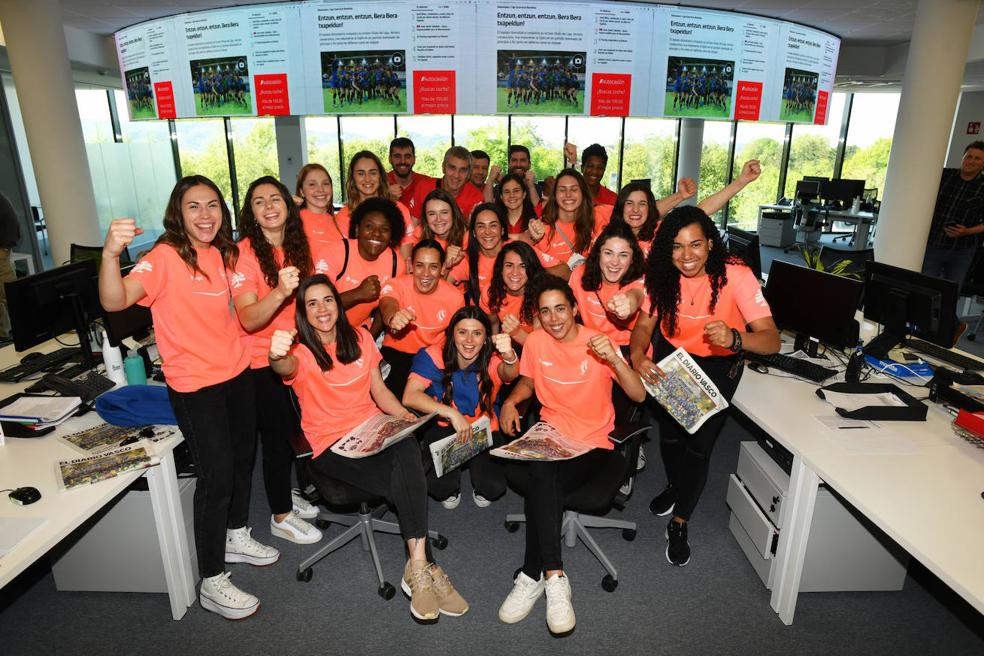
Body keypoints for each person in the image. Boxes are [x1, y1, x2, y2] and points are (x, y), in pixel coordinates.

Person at [99, 176, 277, 620]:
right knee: (216, 479)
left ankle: (236, 534)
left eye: (212, 205)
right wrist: (110, 254)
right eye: (194, 206)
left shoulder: (222, 253)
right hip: (196, 387)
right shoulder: (163, 258)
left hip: (237, 373)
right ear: (178, 213)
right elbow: (116, 300)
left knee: (242, 463)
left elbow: (243, 310)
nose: (205, 215)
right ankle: (211, 580)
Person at [269, 276, 467, 622]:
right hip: (332, 446)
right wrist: (275, 354)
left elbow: (380, 392)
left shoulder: (360, 338)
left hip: (372, 429)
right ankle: (427, 568)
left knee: (406, 447)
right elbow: (283, 366)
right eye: (312, 303)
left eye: (327, 300)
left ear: (338, 304)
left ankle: (417, 566)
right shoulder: (299, 353)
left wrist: (404, 417)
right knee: (406, 477)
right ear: (302, 312)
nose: (322, 309)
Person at [629, 205, 779, 567]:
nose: (687, 255)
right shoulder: (662, 274)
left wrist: (735, 338)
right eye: (677, 246)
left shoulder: (736, 276)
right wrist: (638, 357)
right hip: (673, 359)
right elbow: (644, 327)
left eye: (695, 244)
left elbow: (772, 340)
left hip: (717, 364)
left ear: (710, 243)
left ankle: (680, 521)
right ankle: (675, 485)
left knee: (698, 446)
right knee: (670, 437)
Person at [497, 275, 645, 635]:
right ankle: (553, 577)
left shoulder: (598, 343)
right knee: (543, 473)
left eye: (560, 309)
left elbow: (638, 395)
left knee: (541, 477)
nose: (554, 319)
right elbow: (528, 381)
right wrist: (512, 401)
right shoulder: (535, 341)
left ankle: (534, 574)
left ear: (575, 308)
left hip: (592, 444)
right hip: (551, 435)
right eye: (545, 312)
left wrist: (615, 360)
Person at [230, 176, 323, 546]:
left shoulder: (297, 245)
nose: (269, 207)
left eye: (275, 199)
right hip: (260, 361)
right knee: (276, 438)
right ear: (251, 213)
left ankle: (284, 493)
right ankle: (280, 516)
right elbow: (248, 318)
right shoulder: (244, 253)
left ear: (288, 205)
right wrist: (281, 291)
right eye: (259, 201)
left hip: (295, 353)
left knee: (292, 434)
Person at [403, 307, 519, 508]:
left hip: (483, 428)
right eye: (462, 332)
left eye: (477, 333)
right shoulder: (434, 355)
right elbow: (409, 396)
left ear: (485, 338)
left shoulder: (493, 358)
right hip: (444, 426)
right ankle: (452, 481)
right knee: (440, 488)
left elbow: (510, 373)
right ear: (452, 334)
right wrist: (452, 414)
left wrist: (509, 356)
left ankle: (477, 469)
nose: (469, 340)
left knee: (493, 487)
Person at [379, 239, 465, 398]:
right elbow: (387, 303)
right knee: (387, 399)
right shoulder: (397, 284)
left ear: (442, 268)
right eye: (420, 265)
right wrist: (393, 317)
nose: (426, 273)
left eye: (433, 266)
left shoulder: (455, 298)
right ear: (410, 265)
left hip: (431, 358)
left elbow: (457, 337)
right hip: (396, 354)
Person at [320, 197, 406, 336]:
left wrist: (370, 339)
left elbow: (383, 307)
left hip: (359, 333)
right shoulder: (335, 252)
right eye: (369, 226)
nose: (376, 233)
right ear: (357, 229)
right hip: (320, 331)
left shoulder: (396, 263)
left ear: (392, 235)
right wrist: (358, 294)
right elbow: (318, 303)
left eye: (384, 229)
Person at [921, 141, 984, 293]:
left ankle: (946, 310)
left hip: (962, 250)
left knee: (951, 293)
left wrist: (966, 232)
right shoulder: (942, 175)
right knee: (925, 290)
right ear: (962, 158)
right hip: (933, 244)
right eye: (968, 156)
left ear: (983, 164)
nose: (971, 161)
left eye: (977, 158)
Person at [528, 169, 608, 277]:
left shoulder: (600, 215)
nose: (568, 194)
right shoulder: (542, 229)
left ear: (583, 193)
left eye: (574, 189)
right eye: (562, 190)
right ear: (555, 195)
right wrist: (532, 237)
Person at [482, 241, 548, 346]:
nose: (515, 272)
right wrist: (496, 346)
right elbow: (494, 324)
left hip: (534, 347)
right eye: (509, 265)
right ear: (501, 269)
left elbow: (541, 347)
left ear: (531, 269)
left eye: (523, 266)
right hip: (507, 345)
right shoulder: (491, 292)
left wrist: (517, 333)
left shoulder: (543, 295)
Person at [337, 150, 414, 241]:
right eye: (361, 174)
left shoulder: (398, 209)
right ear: (353, 178)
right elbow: (346, 248)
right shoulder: (344, 215)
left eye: (373, 173)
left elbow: (406, 247)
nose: (367, 179)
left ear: (380, 176)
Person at [404, 189, 469, 284]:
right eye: (432, 214)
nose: (438, 219)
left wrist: (447, 266)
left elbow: (437, 289)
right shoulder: (420, 233)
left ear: (454, 213)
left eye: (444, 212)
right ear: (426, 217)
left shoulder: (465, 244)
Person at [409, 146, 485, 222]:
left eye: (463, 170)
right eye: (452, 168)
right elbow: (413, 223)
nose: (456, 175)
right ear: (443, 167)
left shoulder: (475, 197)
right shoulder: (424, 187)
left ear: (469, 174)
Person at [295, 163, 344, 244]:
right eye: (312, 184)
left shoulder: (339, 222)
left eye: (325, 183)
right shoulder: (295, 223)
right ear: (301, 191)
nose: (320, 189)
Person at [387, 137, 433, 208]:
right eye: (397, 156)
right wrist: (385, 196)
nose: (403, 161)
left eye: (407, 156)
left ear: (414, 159)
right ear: (390, 159)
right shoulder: (380, 182)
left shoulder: (426, 182)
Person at [0, 192, 21, 340]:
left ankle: (24, 329)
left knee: (9, 294)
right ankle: (4, 334)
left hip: (1, 250)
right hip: (3, 247)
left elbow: (12, 222)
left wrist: (5, 247)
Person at [494, 172, 539, 240]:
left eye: (516, 191)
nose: (511, 195)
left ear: (524, 194)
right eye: (507, 192)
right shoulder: (495, 220)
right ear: (501, 197)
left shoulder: (536, 220)